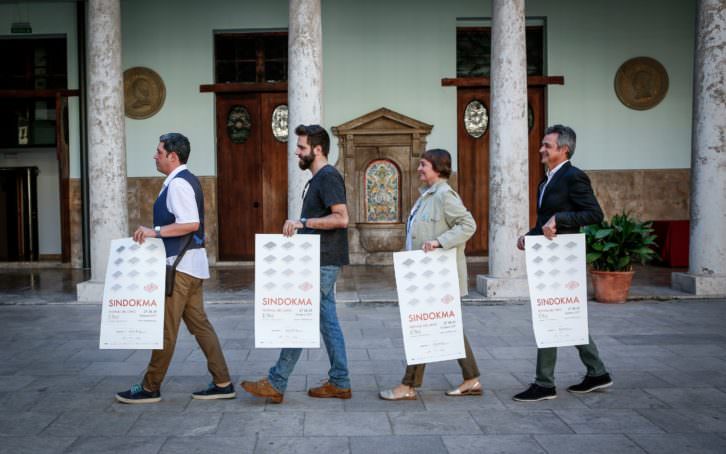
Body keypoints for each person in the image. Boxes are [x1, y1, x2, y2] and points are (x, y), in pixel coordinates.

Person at [116, 133, 234, 403]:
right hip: (190, 267)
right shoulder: (182, 181)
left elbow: (190, 223)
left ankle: (150, 387)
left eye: (158, 152)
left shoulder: (179, 184)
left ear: (173, 156)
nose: (154, 155)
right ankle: (223, 381)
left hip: (179, 270)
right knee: (200, 326)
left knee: (165, 329)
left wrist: (153, 231)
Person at [241, 124, 352, 403]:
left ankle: (277, 382)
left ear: (317, 149)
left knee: (301, 317)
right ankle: (340, 381)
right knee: (327, 321)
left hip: (323, 260)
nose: (297, 152)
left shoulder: (327, 177)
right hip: (319, 258)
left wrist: (302, 222)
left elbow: (342, 218)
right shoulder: (317, 179)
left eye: (301, 147)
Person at [513, 124, 613, 402]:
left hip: (564, 260)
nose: (541, 149)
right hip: (548, 258)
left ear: (564, 149)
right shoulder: (545, 181)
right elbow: (543, 221)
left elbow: (594, 215)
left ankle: (544, 383)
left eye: (547, 145)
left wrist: (561, 219)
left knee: (552, 315)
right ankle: (597, 372)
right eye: (542, 144)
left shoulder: (574, 177)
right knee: (564, 314)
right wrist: (528, 236)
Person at [379, 148, 481, 401]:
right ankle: (471, 379)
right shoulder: (427, 196)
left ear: (437, 167)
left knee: (422, 327)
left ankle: (408, 385)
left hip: (439, 276)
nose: (419, 169)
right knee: (444, 327)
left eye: (423, 164)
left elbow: (468, 225)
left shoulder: (445, 195)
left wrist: (439, 242)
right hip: (425, 276)